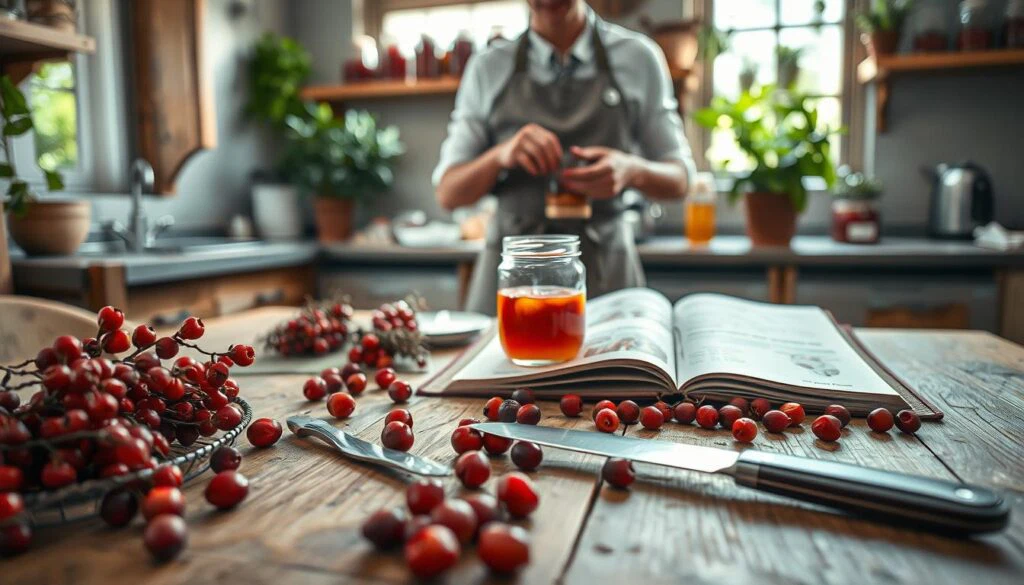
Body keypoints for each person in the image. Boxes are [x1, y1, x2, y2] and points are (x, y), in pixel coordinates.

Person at [433, 0, 695, 315]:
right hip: (513, 289)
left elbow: (681, 180)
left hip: (607, 281)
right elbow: (448, 193)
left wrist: (631, 170)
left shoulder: (639, 58)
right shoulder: (488, 67)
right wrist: (500, 155)